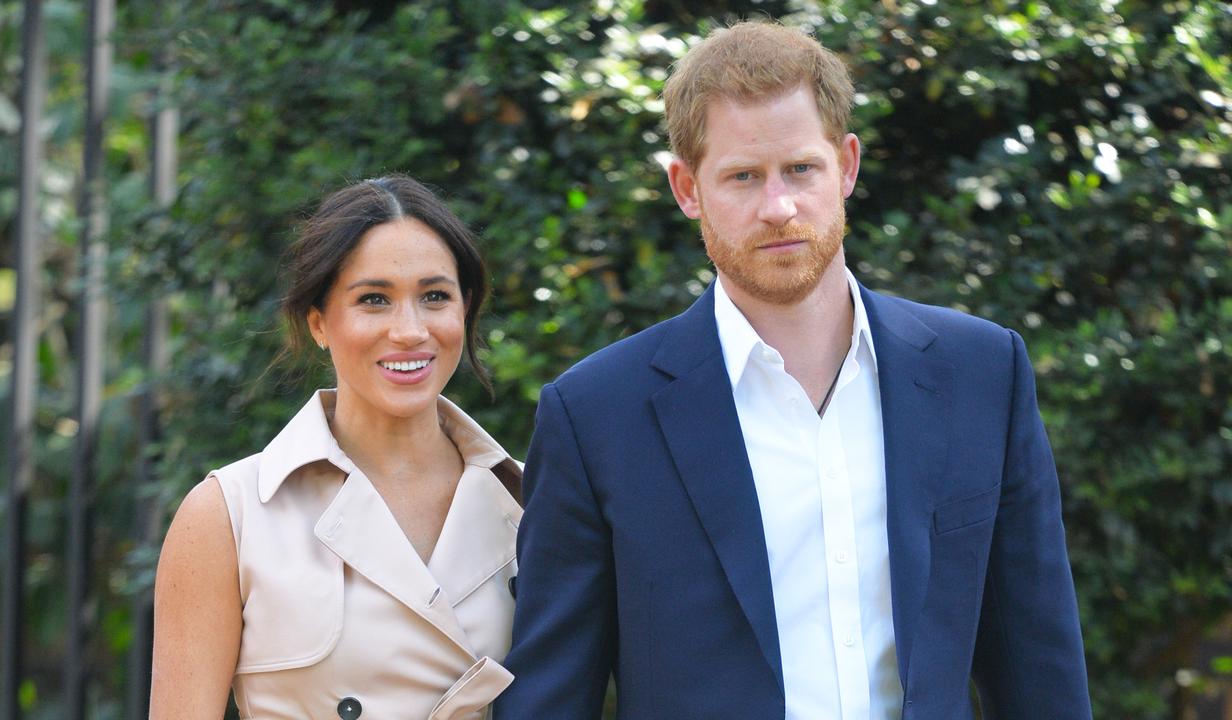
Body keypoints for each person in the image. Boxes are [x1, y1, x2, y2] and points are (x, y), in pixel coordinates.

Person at [495, 20, 1091, 720]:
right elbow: (550, 697)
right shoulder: (595, 414)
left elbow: (1040, 667)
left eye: (801, 170)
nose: (778, 208)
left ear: (846, 165)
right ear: (687, 188)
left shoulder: (983, 371)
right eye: (743, 176)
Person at [150, 176, 523, 719]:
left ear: (464, 311)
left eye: (435, 297)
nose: (410, 330)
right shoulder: (230, 514)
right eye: (374, 299)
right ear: (320, 322)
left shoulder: (534, 500)